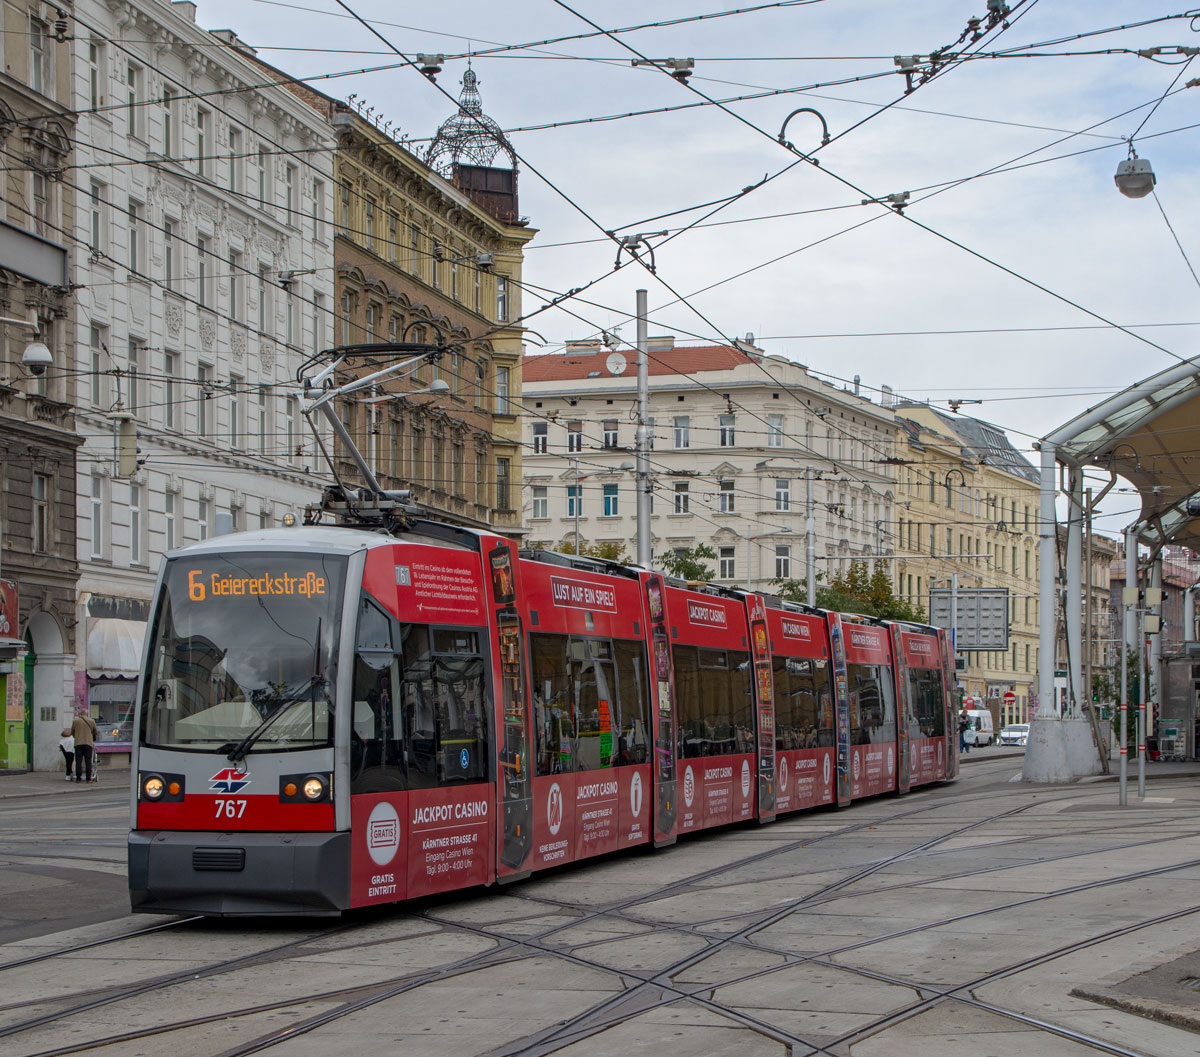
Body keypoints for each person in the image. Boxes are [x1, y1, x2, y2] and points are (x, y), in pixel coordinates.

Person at [71, 710, 99, 783]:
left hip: (78, 743)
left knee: (78, 761)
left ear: (80, 714)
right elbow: (95, 731)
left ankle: (78, 779)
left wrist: (77, 736)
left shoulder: (75, 721)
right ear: (87, 713)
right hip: (88, 743)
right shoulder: (91, 721)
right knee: (88, 762)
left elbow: (72, 732)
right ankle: (88, 779)